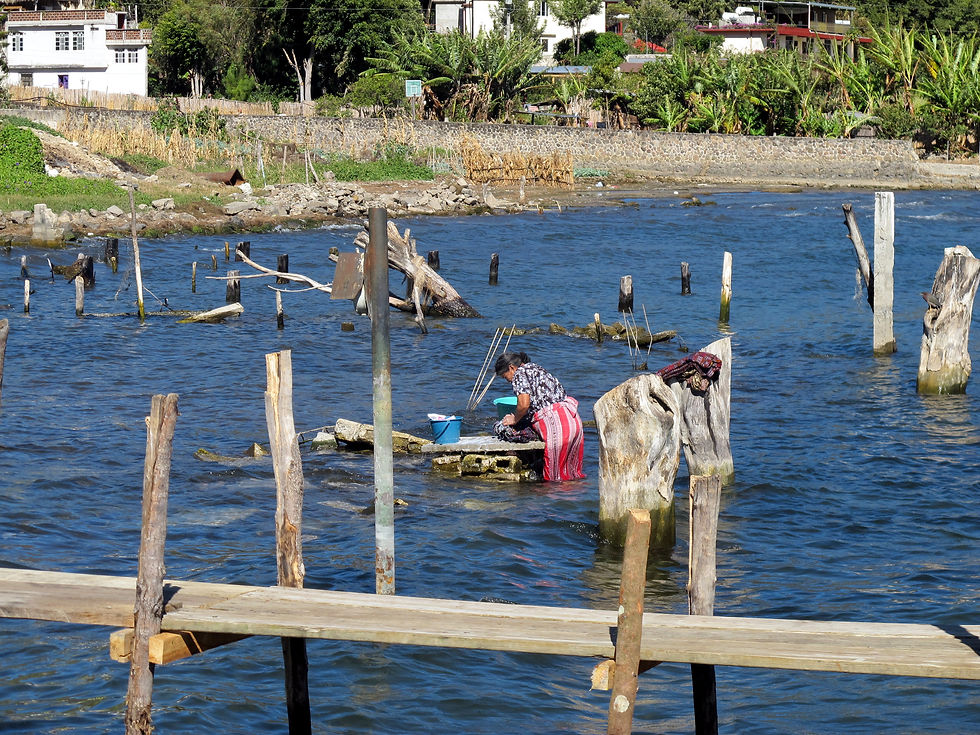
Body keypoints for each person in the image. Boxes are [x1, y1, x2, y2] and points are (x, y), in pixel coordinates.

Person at [493, 351, 585, 482]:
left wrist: (514, 418)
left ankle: (550, 502)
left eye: (504, 376)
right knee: (572, 476)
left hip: (556, 426)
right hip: (573, 421)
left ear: (511, 368)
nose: (507, 380)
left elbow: (524, 404)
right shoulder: (536, 368)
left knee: (554, 481)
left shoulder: (519, 374)